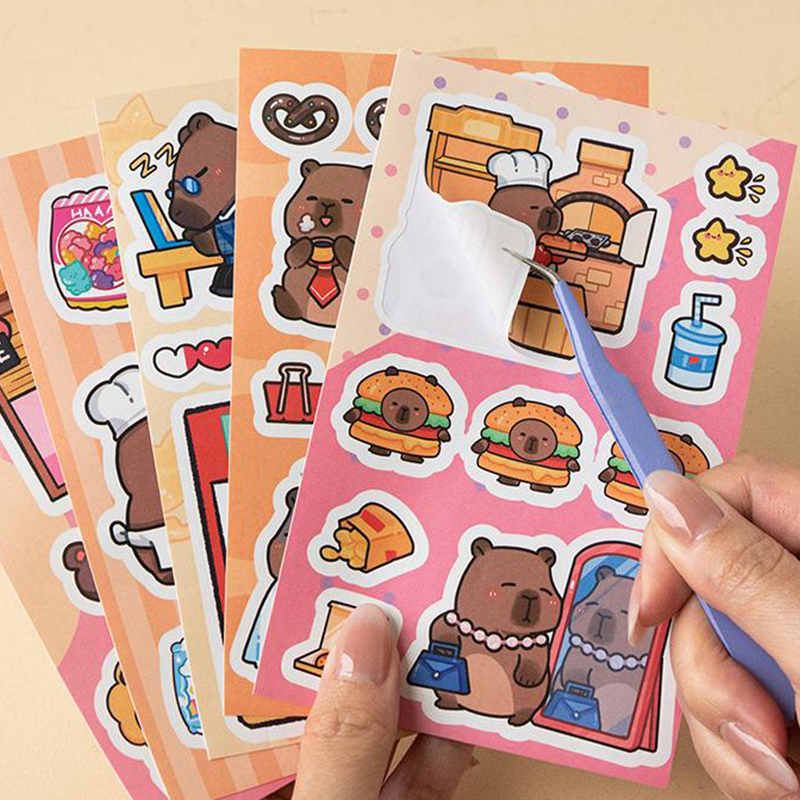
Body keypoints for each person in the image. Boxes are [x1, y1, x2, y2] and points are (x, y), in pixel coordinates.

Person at [273, 456, 798, 800]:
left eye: (538, 591)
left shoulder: (545, 637)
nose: (527, 601)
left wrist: (527, 677)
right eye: (506, 587)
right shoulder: (461, 620)